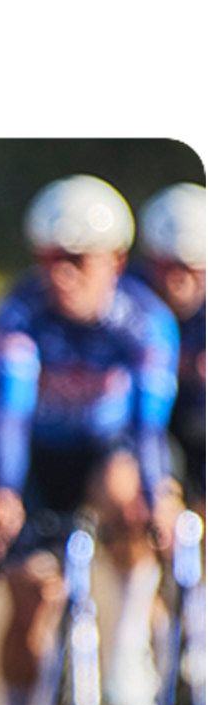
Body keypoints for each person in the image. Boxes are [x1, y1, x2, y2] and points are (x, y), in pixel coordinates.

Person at [0, 174, 181, 705]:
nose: (60, 274)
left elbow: (148, 428)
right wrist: (4, 492)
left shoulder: (144, 319)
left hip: (107, 455)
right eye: (48, 258)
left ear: (115, 260)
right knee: (29, 600)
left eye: (77, 260)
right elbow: (8, 415)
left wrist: (156, 495)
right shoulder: (20, 312)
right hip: (38, 462)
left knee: (131, 491)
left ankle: (125, 661)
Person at [131, 183, 206, 519]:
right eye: (168, 265)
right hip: (144, 428)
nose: (179, 279)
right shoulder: (126, 299)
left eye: (192, 268)